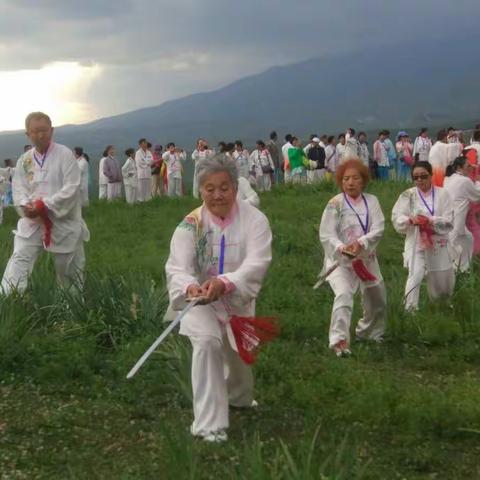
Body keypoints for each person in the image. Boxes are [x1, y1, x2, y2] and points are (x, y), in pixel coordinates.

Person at [165, 153, 272, 442]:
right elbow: (177, 266)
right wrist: (190, 287)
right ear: (200, 190)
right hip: (200, 302)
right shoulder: (191, 224)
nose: (217, 195)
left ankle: (238, 397)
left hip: (237, 299)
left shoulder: (255, 220)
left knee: (238, 356)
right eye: (209, 188)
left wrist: (225, 283)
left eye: (224, 187)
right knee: (208, 344)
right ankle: (209, 425)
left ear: (235, 188)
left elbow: (257, 262)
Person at [1, 112, 89, 294]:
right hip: (33, 219)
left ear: (52, 130)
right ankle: (9, 298)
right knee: (20, 257)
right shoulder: (24, 160)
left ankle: (70, 311)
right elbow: (19, 189)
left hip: (63, 218)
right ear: (28, 134)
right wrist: (26, 206)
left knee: (68, 267)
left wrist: (45, 205)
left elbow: (72, 187)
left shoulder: (64, 154)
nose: (40, 135)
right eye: (35, 131)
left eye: (44, 130)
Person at [319, 158, 386, 357]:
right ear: (341, 181)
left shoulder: (372, 201)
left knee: (377, 297)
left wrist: (362, 243)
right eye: (346, 178)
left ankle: (369, 332)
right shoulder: (335, 203)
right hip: (341, 261)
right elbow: (326, 233)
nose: (350, 182)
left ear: (363, 180)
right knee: (344, 294)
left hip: (365, 258)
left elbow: (379, 227)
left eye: (355, 178)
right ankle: (339, 342)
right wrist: (342, 247)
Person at [391, 161, 455, 312]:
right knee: (416, 273)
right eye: (416, 177)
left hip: (438, 241)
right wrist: (409, 220)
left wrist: (429, 221)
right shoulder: (408, 195)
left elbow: (449, 220)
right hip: (416, 240)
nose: (420, 180)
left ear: (431, 176)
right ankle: (410, 309)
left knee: (441, 275)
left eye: (423, 176)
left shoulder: (443, 193)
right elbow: (396, 217)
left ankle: (442, 305)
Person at [444, 154, 480, 272]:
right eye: (468, 166)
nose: (471, 168)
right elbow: (477, 197)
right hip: (456, 217)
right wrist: (478, 181)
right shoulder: (465, 181)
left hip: (448, 214)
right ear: (459, 167)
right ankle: (456, 269)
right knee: (456, 243)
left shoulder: (449, 178)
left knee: (467, 239)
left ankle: (462, 268)